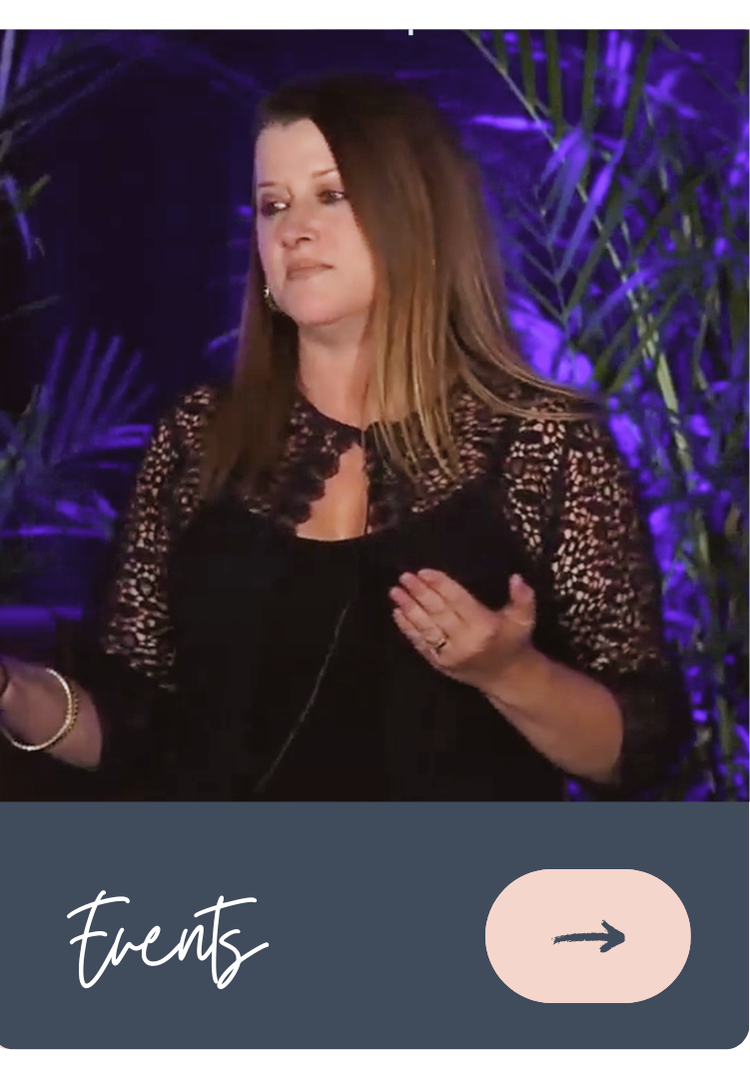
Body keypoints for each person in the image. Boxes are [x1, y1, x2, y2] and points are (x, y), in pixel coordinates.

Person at [0, 72, 693, 801]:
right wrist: (12, 690)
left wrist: (511, 673)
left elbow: (640, 747)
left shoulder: (545, 448)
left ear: (418, 218)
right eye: (273, 204)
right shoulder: (198, 437)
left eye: (331, 195)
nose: (292, 229)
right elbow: (129, 721)